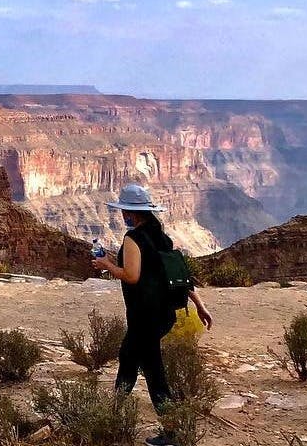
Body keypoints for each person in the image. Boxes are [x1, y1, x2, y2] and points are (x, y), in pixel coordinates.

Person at [91, 183, 213, 446]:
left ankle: (172, 431)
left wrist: (106, 265)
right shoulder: (161, 237)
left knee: (153, 371)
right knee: (128, 358)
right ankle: (113, 417)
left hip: (144, 316)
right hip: (163, 315)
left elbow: (132, 276)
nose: (122, 215)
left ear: (130, 213)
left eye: (124, 210)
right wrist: (200, 305)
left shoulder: (133, 238)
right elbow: (175, 275)